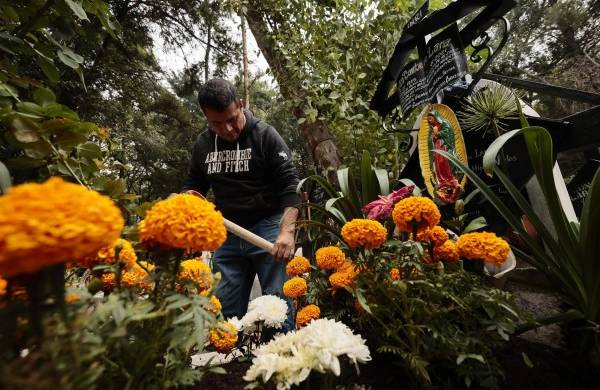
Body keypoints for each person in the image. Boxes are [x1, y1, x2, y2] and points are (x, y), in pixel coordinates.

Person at [181, 78, 299, 331]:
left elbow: (290, 186)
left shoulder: (265, 136)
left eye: (232, 119)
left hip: (269, 228)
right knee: (224, 311)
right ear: (206, 116)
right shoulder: (203, 145)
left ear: (241, 105)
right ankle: (228, 361)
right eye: (217, 123)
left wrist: (287, 232)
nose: (227, 129)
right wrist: (184, 199)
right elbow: (193, 186)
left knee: (278, 307)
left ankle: (283, 359)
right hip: (228, 233)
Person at [426, 111, 462, 204]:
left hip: (445, 147)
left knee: (444, 162)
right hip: (438, 148)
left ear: (436, 117)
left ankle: (451, 181)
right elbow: (432, 140)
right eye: (428, 120)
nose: (429, 121)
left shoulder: (445, 123)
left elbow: (449, 133)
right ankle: (442, 182)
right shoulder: (433, 128)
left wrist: (439, 134)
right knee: (438, 165)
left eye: (430, 119)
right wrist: (433, 137)